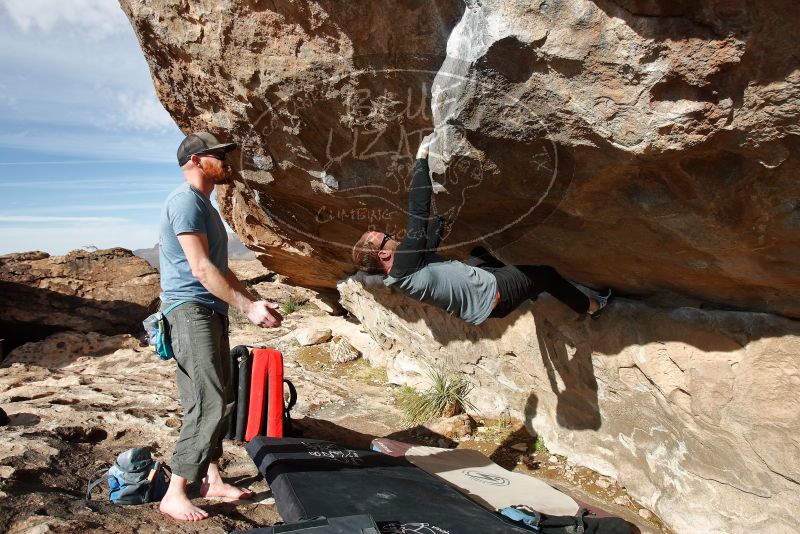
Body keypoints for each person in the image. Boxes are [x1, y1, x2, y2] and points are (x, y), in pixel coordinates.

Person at [351, 133, 610, 325]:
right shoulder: (403, 263)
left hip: (481, 293)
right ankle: (592, 307)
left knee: (478, 253)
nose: (391, 235)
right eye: (385, 238)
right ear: (384, 255)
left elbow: (427, 248)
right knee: (547, 274)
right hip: (496, 295)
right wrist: (421, 161)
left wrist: (440, 222)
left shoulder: (403, 270)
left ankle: (526, 288)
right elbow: (418, 211)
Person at [157, 132, 283, 521]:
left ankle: (210, 478)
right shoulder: (185, 203)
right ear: (196, 161)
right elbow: (200, 268)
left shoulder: (204, 206)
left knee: (220, 397)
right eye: (220, 155)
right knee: (208, 400)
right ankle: (175, 492)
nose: (228, 160)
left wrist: (251, 299)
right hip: (189, 310)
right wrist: (247, 308)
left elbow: (222, 269)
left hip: (208, 309)